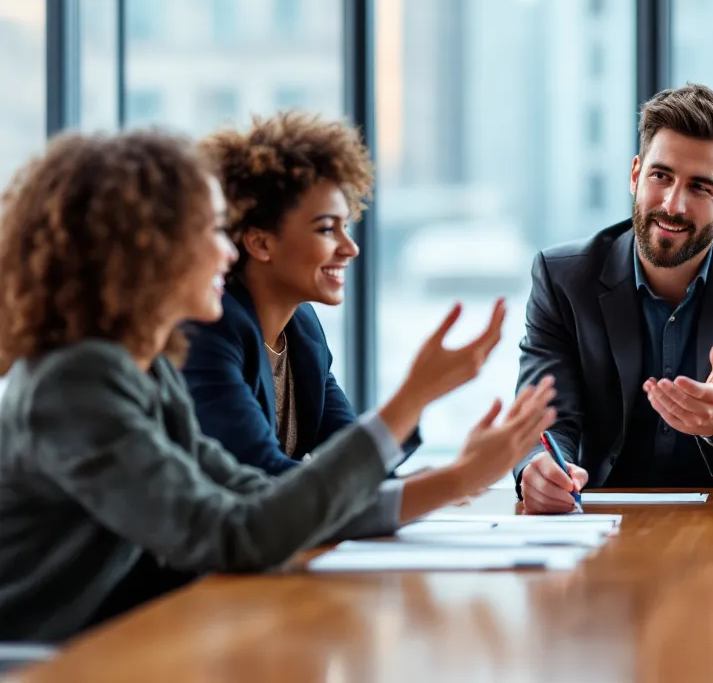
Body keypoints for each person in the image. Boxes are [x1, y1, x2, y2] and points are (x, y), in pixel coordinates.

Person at [0, 131, 555, 642]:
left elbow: (265, 500)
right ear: (145, 250)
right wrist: (412, 407)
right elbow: (235, 534)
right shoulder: (75, 385)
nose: (228, 251)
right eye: (210, 231)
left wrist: (458, 474)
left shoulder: (149, 373)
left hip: (116, 644)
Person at [513, 84, 713, 512]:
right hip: (605, 517)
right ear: (635, 175)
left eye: (700, 187)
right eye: (661, 176)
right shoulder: (563, 277)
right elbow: (544, 423)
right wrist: (540, 468)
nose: (673, 205)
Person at [183, 112, 419, 474]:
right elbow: (264, 481)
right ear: (261, 243)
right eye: (326, 229)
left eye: (345, 226)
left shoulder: (303, 328)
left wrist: (443, 479)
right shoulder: (210, 330)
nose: (350, 248)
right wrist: (416, 395)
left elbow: (352, 463)